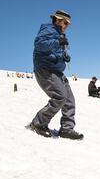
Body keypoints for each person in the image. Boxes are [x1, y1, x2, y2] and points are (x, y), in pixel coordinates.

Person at [29, 10, 83, 140]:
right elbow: (39, 45)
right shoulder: (49, 29)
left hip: (57, 71)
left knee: (69, 100)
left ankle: (66, 129)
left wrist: (64, 56)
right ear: (57, 20)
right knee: (60, 96)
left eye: (68, 24)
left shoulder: (59, 34)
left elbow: (54, 51)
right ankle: (38, 123)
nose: (67, 26)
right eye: (65, 22)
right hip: (46, 69)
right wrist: (58, 42)